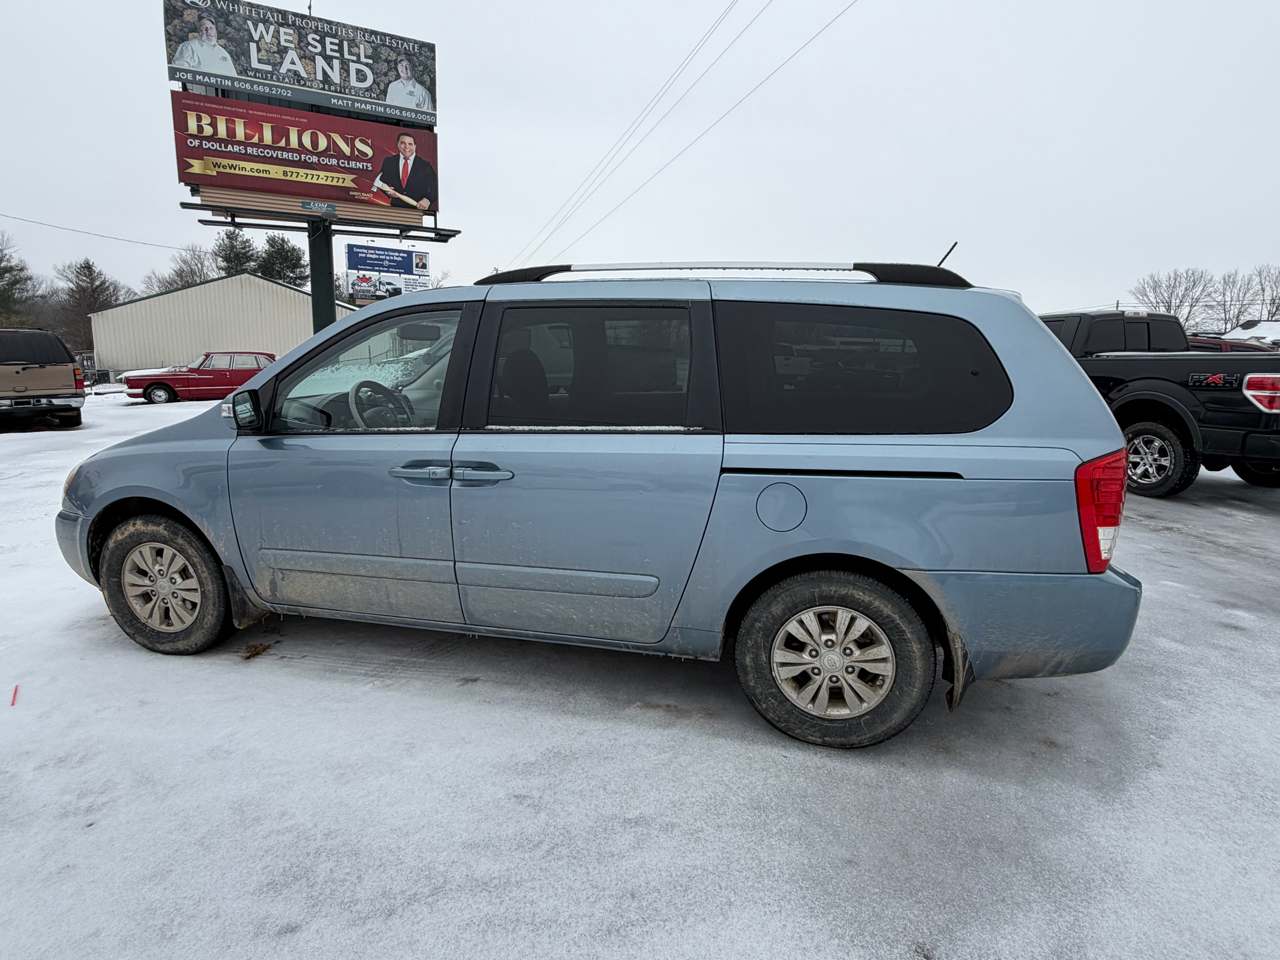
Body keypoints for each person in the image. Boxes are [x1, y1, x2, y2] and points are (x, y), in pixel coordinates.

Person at [372, 132, 438, 211]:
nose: (406, 146)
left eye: (410, 144)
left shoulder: (425, 166)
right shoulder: (389, 161)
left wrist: (428, 200)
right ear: (398, 144)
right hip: (395, 209)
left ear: (415, 146)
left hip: (417, 210)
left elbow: (436, 187)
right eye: (403, 143)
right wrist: (387, 191)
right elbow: (382, 181)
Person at [172, 13, 238, 76]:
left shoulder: (223, 53)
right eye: (204, 27)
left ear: (215, 31)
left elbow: (234, 79)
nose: (208, 31)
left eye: (211, 28)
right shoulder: (188, 47)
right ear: (198, 30)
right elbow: (179, 73)